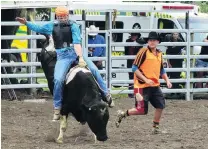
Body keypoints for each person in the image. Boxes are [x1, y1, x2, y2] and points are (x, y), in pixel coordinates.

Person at [16, 6, 114, 121]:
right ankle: (57, 108)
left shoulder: (73, 25)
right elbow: (38, 27)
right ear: (57, 16)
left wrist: (81, 57)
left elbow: (77, 42)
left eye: (65, 16)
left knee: (95, 70)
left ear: (68, 15)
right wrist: (26, 23)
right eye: (61, 16)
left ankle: (106, 95)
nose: (64, 18)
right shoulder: (52, 25)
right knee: (57, 80)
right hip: (62, 57)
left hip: (75, 52)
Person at [116, 31, 172, 134]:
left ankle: (155, 127)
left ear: (158, 42)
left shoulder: (159, 54)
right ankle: (124, 114)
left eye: (154, 40)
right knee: (141, 110)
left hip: (154, 85)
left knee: (160, 106)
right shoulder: (143, 51)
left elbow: (161, 70)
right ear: (148, 42)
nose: (152, 42)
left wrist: (167, 80)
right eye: (150, 40)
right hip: (141, 86)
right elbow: (134, 68)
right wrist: (146, 79)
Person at [124, 23, 143, 98]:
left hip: (138, 62)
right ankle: (130, 93)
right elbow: (126, 52)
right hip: (130, 61)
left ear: (137, 36)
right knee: (131, 77)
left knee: (138, 76)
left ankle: (137, 92)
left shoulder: (140, 42)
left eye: (135, 35)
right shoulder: (128, 41)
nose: (133, 36)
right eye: (132, 34)